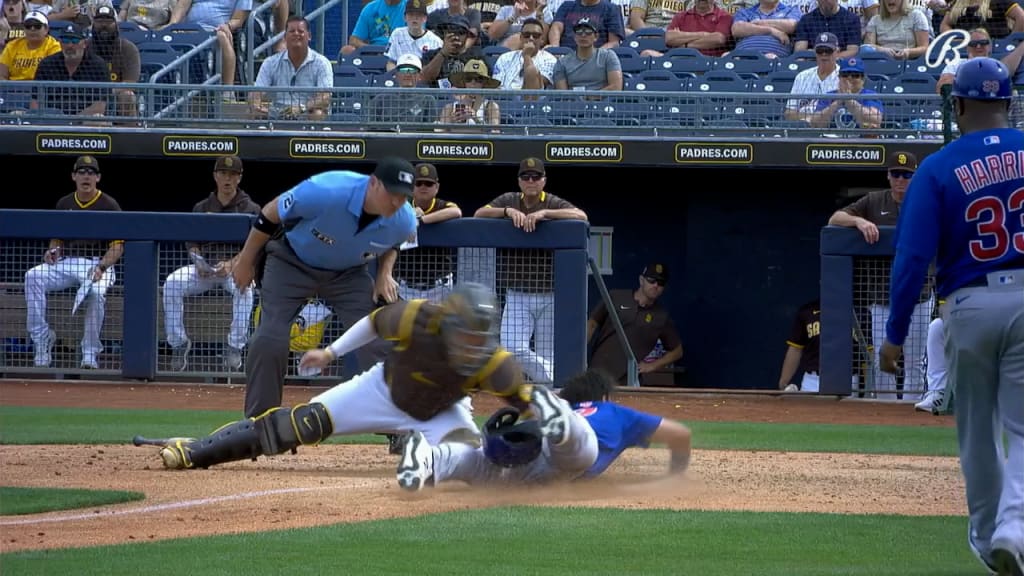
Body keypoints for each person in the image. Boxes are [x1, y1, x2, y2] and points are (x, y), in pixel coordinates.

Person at [154, 283, 551, 471]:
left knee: (468, 465)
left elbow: (532, 405)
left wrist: (531, 432)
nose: (471, 342)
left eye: (478, 336)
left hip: (443, 411)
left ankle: (417, 451)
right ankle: (199, 451)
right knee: (300, 424)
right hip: (382, 389)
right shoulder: (418, 316)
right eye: (464, 333)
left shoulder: (494, 363)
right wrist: (330, 352)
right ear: (447, 323)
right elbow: (374, 323)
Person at [880, 57, 1023, 576]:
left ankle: (989, 538)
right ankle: (1016, 527)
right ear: (1008, 102)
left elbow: (912, 258)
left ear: (957, 105)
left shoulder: (938, 167)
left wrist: (895, 334)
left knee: (977, 429)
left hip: (969, 303)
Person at [230, 157, 418, 418]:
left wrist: (384, 274)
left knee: (379, 335)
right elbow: (270, 214)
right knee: (271, 336)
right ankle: (260, 422)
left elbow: (393, 242)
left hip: (348, 274)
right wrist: (245, 260)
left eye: (404, 196)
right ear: (373, 183)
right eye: (392, 193)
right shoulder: (327, 190)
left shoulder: (404, 219)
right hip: (292, 262)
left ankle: (394, 423)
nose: (397, 202)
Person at [395, 369, 692, 491]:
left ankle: (427, 458)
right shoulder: (613, 411)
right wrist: (675, 477)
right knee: (579, 448)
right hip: (567, 457)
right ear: (602, 397)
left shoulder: (577, 407)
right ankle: (559, 422)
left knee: (475, 464)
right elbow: (681, 434)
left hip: (526, 463)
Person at [162, 155, 261, 372]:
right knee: (171, 283)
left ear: (240, 178)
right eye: (223, 174)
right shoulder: (202, 206)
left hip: (234, 268)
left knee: (245, 289)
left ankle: (235, 346)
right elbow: (192, 241)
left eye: (233, 175)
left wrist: (234, 263)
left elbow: (255, 245)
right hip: (206, 269)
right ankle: (178, 343)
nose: (228, 179)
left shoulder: (251, 208)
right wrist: (198, 261)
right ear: (215, 176)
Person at [24, 155, 123, 370]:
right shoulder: (64, 202)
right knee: (32, 276)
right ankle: (42, 339)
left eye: (90, 173)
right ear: (73, 176)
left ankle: (89, 352)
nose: (85, 176)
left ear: (98, 178)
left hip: (97, 262)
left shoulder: (109, 204)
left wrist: (101, 267)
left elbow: (117, 246)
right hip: (67, 262)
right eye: (81, 172)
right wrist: (52, 251)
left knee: (96, 294)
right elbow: (57, 238)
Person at [777, 299, 820, 392]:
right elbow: (796, 349)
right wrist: (784, 382)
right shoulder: (808, 311)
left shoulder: (855, 311)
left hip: (847, 379)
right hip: (813, 379)